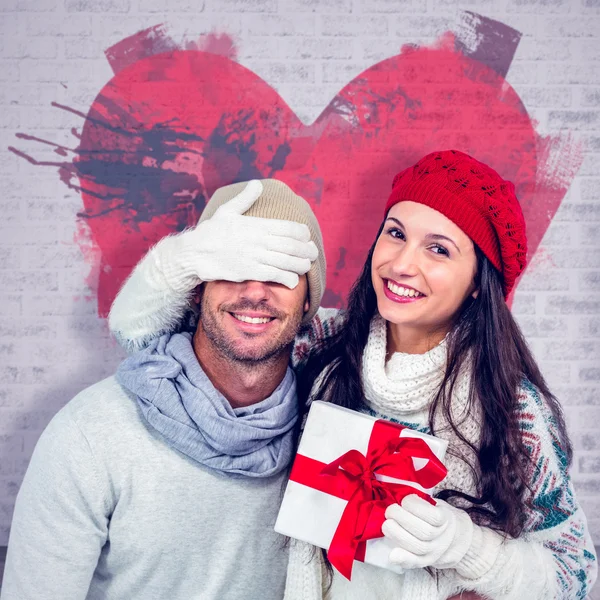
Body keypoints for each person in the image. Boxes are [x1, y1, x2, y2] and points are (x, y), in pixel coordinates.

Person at [103, 152, 597, 600]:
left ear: (477, 284)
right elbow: (145, 335)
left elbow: (577, 575)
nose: (402, 264)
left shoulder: (514, 411)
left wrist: (468, 547)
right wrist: (182, 261)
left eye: (439, 250)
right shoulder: (325, 344)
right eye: (397, 233)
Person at [1, 179, 327, 600]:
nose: (254, 291)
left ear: (307, 304)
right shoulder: (90, 435)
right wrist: (172, 263)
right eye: (231, 266)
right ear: (196, 288)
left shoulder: (325, 431)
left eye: (279, 272)